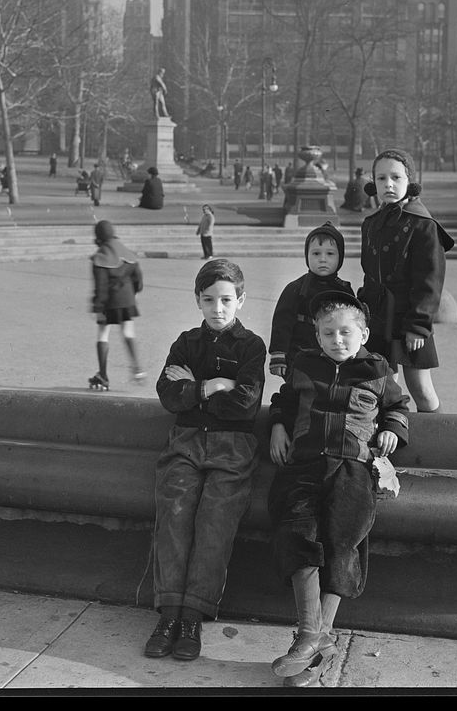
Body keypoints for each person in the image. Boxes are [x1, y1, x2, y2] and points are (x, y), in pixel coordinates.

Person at [267, 290, 410, 687]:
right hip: (304, 466)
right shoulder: (305, 364)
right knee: (297, 535)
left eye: (346, 332)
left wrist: (392, 429)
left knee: (342, 543)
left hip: (352, 469)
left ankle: (315, 640)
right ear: (317, 336)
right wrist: (278, 423)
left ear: (363, 334)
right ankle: (314, 639)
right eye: (328, 333)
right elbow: (285, 400)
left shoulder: (376, 368)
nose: (337, 340)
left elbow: (398, 405)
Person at [145, 259, 266, 662]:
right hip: (186, 442)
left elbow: (247, 403)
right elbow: (167, 393)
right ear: (198, 300)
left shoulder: (251, 346)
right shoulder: (185, 343)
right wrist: (214, 385)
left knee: (215, 522)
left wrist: (192, 388)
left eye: (227, 300)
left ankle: (193, 615)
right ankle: (168, 613)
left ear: (241, 301)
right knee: (175, 514)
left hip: (233, 447)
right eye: (209, 299)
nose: (218, 308)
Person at [358, 148, 454, 413]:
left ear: (409, 181)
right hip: (377, 318)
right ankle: (388, 445)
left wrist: (418, 326)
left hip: (409, 320)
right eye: (381, 178)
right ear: (373, 183)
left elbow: (430, 281)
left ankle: (437, 445)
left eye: (396, 177)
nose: (388, 184)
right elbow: (369, 273)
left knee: (421, 390)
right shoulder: (371, 223)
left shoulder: (423, 224)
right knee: (381, 388)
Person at [269, 221, 355, 380]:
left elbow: (353, 324)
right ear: (307, 256)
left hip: (333, 352)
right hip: (299, 353)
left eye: (330, 254)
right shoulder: (296, 288)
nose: (323, 259)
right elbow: (282, 322)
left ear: (340, 257)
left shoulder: (344, 290)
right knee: (297, 390)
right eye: (316, 254)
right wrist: (278, 353)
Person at [88, 220, 146, 389]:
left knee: (103, 334)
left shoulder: (100, 257)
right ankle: (137, 368)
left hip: (109, 302)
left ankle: (103, 375)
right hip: (127, 299)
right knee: (128, 332)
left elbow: (101, 287)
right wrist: (134, 294)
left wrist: (98, 307)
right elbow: (138, 279)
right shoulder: (127, 253)